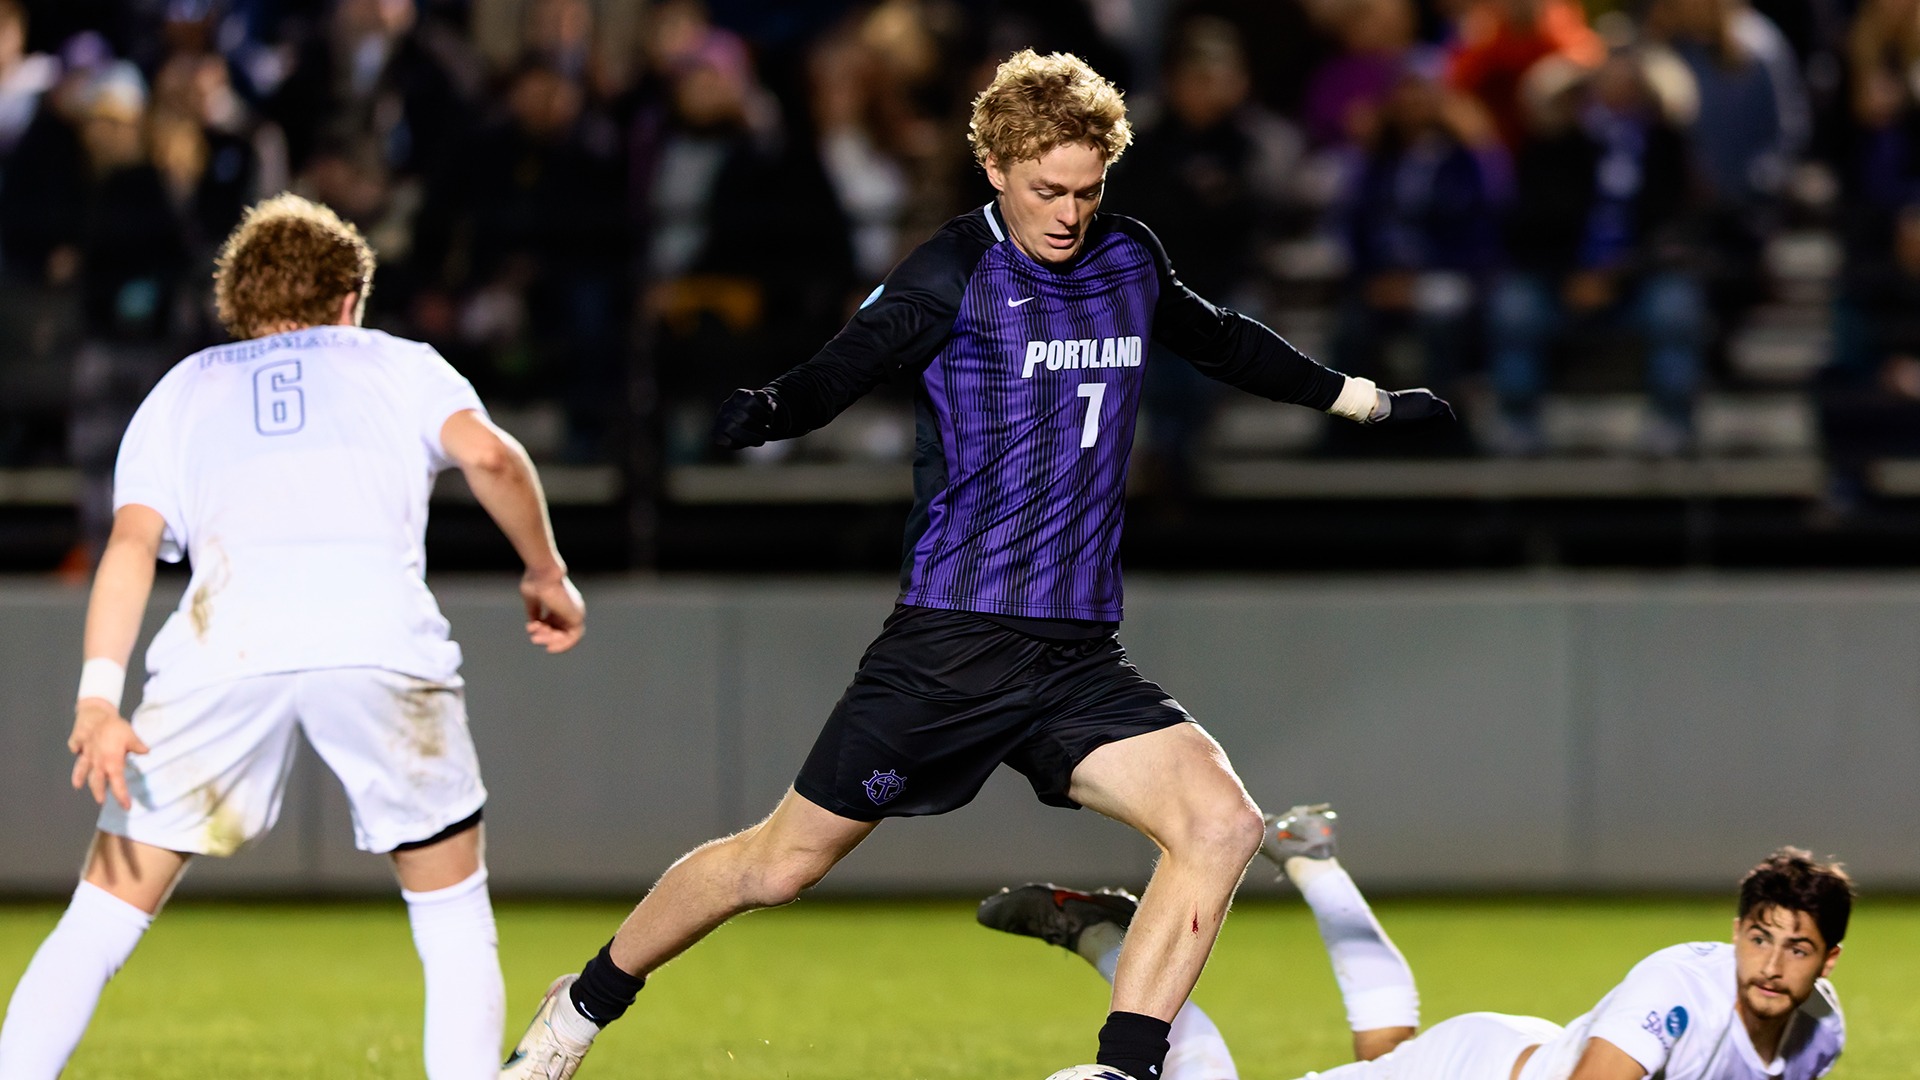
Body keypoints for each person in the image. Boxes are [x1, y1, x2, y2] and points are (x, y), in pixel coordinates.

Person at [499, 49, 1451, 1080]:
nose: (1070, 213)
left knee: (1220, 824)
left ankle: (1123, 1069)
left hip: (1078, 657)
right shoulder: (956, 269)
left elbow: (1222, 342)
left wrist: (1362, 400)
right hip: (950, 642)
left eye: (1088, 190)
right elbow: (849, 363)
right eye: (1048, 188)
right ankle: (582, 1006)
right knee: (776, 868)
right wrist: (775, 407)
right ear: (995, 166)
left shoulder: (1127, 258)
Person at [0, 193, 586, 1080]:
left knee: (101, 915)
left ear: (237, 304)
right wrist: (545, 572)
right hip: (381, 650)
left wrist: (97, 694)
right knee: (451, 913)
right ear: (351, 298)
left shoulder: (184, 389)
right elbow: (495, 457)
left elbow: (128, 545)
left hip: (219, 655)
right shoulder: (400, 363)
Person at [980, 806, 1848, 1080]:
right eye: (1761, 939)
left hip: (1508, 1048)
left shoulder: (1821, 1036)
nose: (1772, 965)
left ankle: (1313, 863)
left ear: (1828, 963)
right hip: (1480, 1073)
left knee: (1386, 1047)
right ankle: (1103, 936)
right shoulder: (1680, 990)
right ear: (1735, 933)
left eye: (1798, 949)